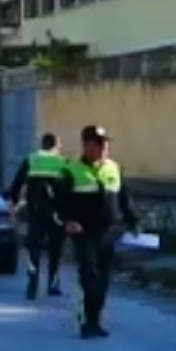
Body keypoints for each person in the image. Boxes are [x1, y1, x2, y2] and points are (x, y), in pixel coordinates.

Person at [59, 124, 137, 339]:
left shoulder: (113, 168)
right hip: (83, 231)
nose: (103, 149)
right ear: (86, 145)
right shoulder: (71, 169)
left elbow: (123, 198)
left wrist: (132, 220)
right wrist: (68, 220)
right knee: (88, 274)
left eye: (105, 145)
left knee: (104, 277)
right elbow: (60, 201)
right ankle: (87, 320)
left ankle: (96, 319)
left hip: (109, 231)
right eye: (98, 144)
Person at [6, 132, 68, 301]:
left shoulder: (32, 159)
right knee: (55, 250)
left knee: (34, 249)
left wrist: (13, 201)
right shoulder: (63, 162)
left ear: (42, 144)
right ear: (56, 145)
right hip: (57, 213)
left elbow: (18, 182)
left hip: (35, 211)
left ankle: (32, 286)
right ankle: (53, 285)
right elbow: (70, 188)